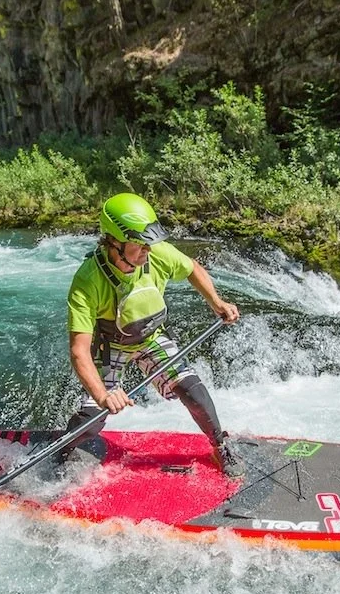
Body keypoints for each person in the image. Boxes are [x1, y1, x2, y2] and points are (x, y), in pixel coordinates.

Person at [60, 192, 245, 478]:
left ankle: (220, 445)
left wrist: (217, 303)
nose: (148, 249)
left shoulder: (156, 253)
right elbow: (79, 351)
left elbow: (192, 268)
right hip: (110, 347)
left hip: (150, 338)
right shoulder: (87, 280)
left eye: (149, 242)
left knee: (192, 391)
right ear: (114, 242)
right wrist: (103, 396)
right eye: (140, 244)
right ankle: (63, 450)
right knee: (92, 419)